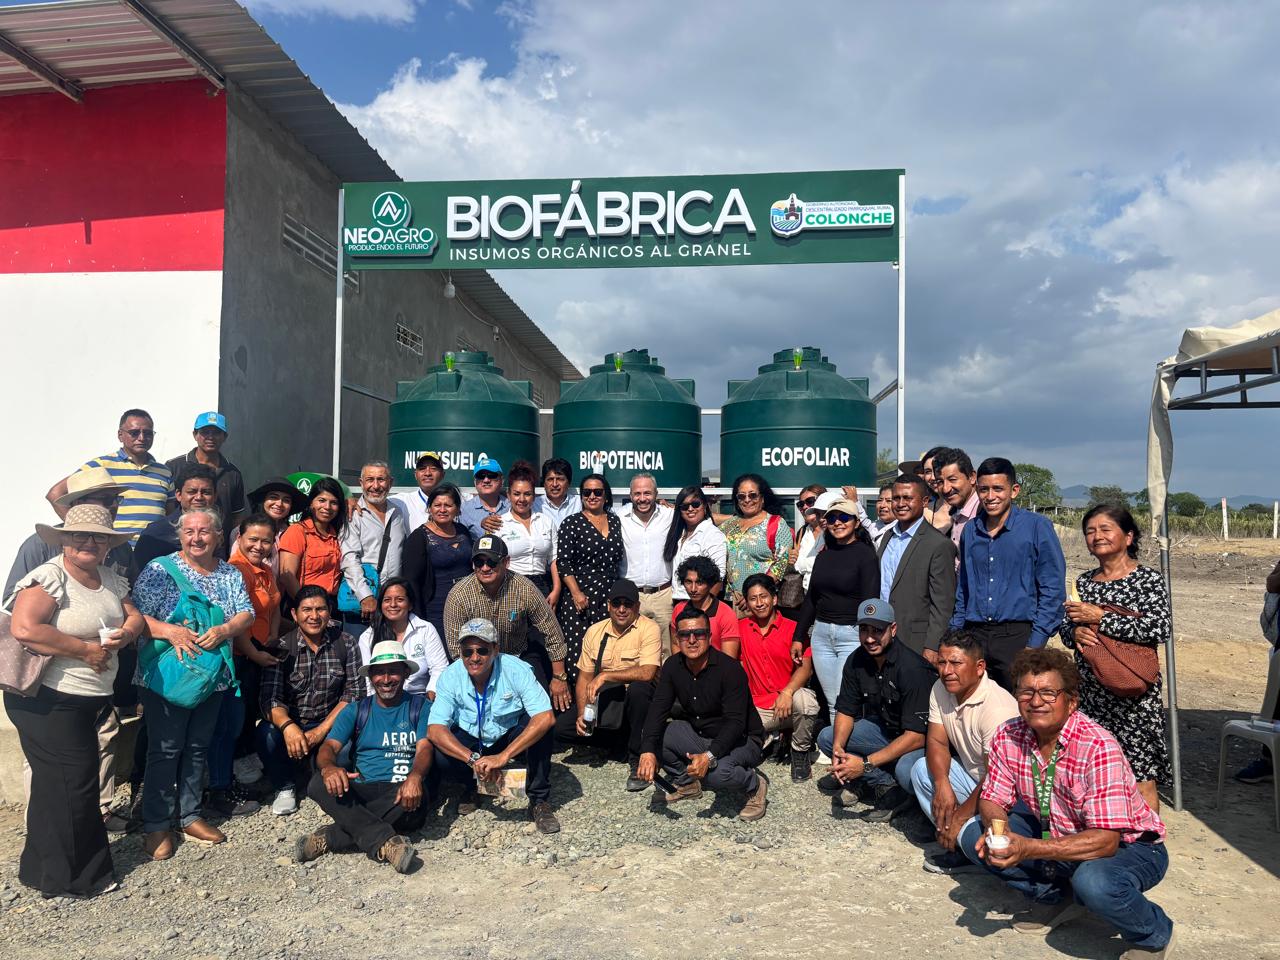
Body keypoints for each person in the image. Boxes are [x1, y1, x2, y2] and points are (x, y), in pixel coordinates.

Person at [970, 649, 1174, 959]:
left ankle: (1152, 934)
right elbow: (992, 797)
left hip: (1130, 847)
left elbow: (1106, 841)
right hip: (1057, 832)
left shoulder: (1097, 746)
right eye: (1026, 692)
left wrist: (1026, 848)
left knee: (1094, 881)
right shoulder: (1008, 734)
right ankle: (1057, 897)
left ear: (1072, 701)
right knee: (975, 836)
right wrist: (998, 831)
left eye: (1048, 693)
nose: (1036, 701)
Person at [5, 504, 142, 898]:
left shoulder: (110, 578)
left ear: (108, 545)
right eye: (80, 534)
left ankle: (41, 870)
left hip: (85, 699)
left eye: (99, 537)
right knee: (75, 786)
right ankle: (80, 879)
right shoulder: (49, 577)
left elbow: (133, 616)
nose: (89, 542)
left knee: (56, 787)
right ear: (64, 539)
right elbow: (25, 628)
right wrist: (84, 651)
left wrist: (126, 634)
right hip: (47, 700)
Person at [133, 507, 254, 858]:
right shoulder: (160, 570)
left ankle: (189, 815)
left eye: (204, 532)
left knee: (198, 746)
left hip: (212, 678)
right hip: (168, 677)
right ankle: (156, 823)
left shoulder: (229, 573)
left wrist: (225, 629)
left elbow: (246, 612)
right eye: (189, 532)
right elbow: (134, 616)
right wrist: (170, 631)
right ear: (180, 536)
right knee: (165, 749)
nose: (197, 538)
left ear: (218, 536)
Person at [1061, 505, 1172, 811]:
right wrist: (1074, 633)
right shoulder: (1083, 583)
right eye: (1090, 531)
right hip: (1092, 694)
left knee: (1140, 776)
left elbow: (1159, 628)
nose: (1097, 536)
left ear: (1128, 536)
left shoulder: (1147, 580)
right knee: (1095, 772)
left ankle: (1147, 836)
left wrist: (1101, 618)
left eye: (1105, 529)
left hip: (1134, 696)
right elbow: (1066, 627)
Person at [295, 640, 431, 873]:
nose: (386, 679)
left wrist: (416, 777)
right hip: (363, 786)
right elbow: (329, 747)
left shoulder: (420, 707)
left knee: (417, 800)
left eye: (393, 671)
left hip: (401, 790)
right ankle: (387, 842)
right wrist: (329, 768)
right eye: (379, 672)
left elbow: (425, 749)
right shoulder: (356, 710)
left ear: (406, 673)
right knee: (317, 783)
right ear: (370, 676)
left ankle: (330, 837)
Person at [636, 606, 769, 821]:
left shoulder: (730, 669)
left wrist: (709, 756)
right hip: (701, 735)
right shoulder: (672, 666)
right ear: (677, 638)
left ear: (709, 636)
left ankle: (754, 785)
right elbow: (657, 709)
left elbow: (736, 723)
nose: (692, 640)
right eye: (684, 634)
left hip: (742, 739)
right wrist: (647, 751)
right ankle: (687, 784)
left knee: (716, 775)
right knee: (655, 735)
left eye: (698, 633)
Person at [429, 617, 560, 834]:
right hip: (473, 741)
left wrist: (504, 756)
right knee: (439, 751)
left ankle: (539, 800)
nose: (474, 658)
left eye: (482, 650)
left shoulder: (517, 669)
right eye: (467, 652)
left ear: (495, 649)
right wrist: (472, 759)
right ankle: (472, 786)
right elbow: (435, 728)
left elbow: (545, 716)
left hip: (507, 734)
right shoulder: (450, 676)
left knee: (542, 729)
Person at [950, 458, 1067, 691]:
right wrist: (956, 632)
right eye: (984, 489)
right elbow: (964, 587)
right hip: (975, 634)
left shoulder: (1037, 527)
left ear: (1014, 490)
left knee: (1017, 703)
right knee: (974, 703)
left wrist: (1035, 643)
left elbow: (1052, 589)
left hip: (1017, 636)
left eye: (998, 489)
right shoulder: (971, 530)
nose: (990, 496)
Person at [909, 629, 1019, 875]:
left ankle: (962, 840)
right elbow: (936, 741)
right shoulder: (941, 688)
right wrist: (942, 785)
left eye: (956, 663)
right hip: (975, 779)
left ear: (979, 667)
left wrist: (958, 818)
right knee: (920, 770)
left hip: (1005, 793)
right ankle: (960, 840)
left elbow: (996, 779)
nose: (947, 671)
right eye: (942, 662)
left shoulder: (997, 708)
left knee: (979, 831)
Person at [816, 599, 933, 823]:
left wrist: (866, 764)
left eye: (877, 631)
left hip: (916, 742)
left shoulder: (911, 668)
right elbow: (846, 710)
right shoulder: (856, 660)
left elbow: (917, 736)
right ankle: (884, 784)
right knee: (827, 738)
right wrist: (839, 749)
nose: (869, 639)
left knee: (907, 771)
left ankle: (899, 791)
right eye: (864, 630)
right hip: (884, 732)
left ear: (893, 629)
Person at [257, 585, 363, 816]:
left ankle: (321, 777)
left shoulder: (346, 643)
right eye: (306, 610)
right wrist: (288, 727)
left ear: (330, 611)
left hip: (330, 722)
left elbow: (354, 694)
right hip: (294, 722)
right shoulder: (281, 648)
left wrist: (321, 731)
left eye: (320, 609)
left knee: (346, 750)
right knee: (266, 734)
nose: (314, 616)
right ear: (294, 614)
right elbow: (269, 699)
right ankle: (285, 785)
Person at [441, 535, 571, 713]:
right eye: (479, 562)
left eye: (492, 562)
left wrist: (559, 677)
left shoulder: (525, 588)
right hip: (477, 664)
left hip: (518, 656)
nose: (485, 568)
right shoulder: (458, 595)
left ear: (506, 562)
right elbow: (456, 648)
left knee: (542, 708)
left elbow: (551, 631)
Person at [211, 513, 287, 818]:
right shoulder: (234, 570)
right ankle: (229, 780)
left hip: (261, 649)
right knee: (235, 720)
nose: (259, 546)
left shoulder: (265, 570)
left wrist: (272, 636)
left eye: (266, 541)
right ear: (239, 538)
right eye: (252, 539)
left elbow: (274, 606)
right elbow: (236, 620)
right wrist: (254, 653)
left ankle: (245, 773)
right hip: (241, 656)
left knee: (249, 714)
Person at [557, 579, 660, 791]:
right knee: (560, 728)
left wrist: (606, 676)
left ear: (637, 606)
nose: (621, 609)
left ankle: (637, 758)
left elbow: (648, 672)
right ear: (608, 605)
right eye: (616, 604)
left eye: (628, 604)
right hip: (607, 699)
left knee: (640, 690)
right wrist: (582, 714)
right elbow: (584, 678)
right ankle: (617, 742)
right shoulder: (594, 631)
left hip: (634, 699)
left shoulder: (649, 628)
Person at [794, 497, 880, 725]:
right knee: (833, 702)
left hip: (851, 634)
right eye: (832, 518)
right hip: (821, 634)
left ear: (856, 522)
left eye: (844, 517)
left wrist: (867, 635)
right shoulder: (824, 554)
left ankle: (850, 746)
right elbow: (812, 598)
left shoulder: (866, 555)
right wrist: (798, 636)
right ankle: (837, 744)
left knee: (847, 701)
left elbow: (870, 599)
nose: (837, 522)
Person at [46, 409, 174, 542]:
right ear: (120, 435)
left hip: (154, 549)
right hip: (116, 547)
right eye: (134, 433)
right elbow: (55, 493)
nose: (141, 438)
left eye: (147, 433)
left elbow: (169, 515)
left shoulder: (164, 472)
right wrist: (80, 528)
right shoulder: (101, 466)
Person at [738, 573, 820, 782]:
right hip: (759, 707)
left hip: (789, 702)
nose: (759, 603)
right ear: (747, 603)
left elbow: (806, 668)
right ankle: (775, 738)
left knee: (807, 701)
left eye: (763, 596)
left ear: (774, 599)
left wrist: (787, 692)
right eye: (753, 598)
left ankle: (799, 751)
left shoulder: (794, 629)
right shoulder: (741, 629)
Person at [5, 466, 131, 599]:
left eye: (116, 499)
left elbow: (131, 596)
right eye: (106, 499)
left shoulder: (122, 548)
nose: (114, 505)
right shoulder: (40, 545)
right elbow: (11, 599)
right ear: (78, 502)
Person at [876, 474, 957, 664]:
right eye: (896, 498)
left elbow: (943, 604)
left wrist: (932, 646)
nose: (900, 504)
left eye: (908, 498)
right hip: (883, 637)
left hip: (916, 642)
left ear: (925, 501)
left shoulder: (938, 544)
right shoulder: (887, 537)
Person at [556, 474, 625, 686]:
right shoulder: (571, 523)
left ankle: (604, 702)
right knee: (579, 653)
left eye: (597, 492)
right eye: (587, 492)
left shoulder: (615, 520)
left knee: (607, 651)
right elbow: (563, 562)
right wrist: (576, 593)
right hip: (580, 596)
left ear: (606, 495)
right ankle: (579, 703)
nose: (592, 496)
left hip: (609, 596)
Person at [163, 411, 247, 547]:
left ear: (224, 437)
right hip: (178, 544)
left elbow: (237, 516)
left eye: (216, 433)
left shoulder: (233, 473)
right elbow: (167, 508)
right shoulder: (174, 466)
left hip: (218, 547)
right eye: (205, 432)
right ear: (195, 435)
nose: (210, 437)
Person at [356, 577, 448, 699]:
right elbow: (368, 680)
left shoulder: (425, 629)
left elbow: (439, 667)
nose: (393, 604)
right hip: (383, 699)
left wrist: (431, 695)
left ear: (410, 605)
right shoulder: (367, 637)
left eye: (400, 600)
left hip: (420, 696)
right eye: (387, 600)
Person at [340, 460, 408, 624]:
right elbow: (349, 559)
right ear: (361, 483)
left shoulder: (398, 512)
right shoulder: (352, 515)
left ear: (390, 483)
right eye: (370, 480)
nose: (376, 486)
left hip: (392, 604)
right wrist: (365, 596)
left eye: (381, 479)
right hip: (363, 605)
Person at [402, 483, 472, 638]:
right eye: (437, 505)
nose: (442, 510)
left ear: (457, 509)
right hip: (436, 610)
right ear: (429, 508)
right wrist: (418, 618)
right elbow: (411, 581)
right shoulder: (419, 537)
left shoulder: (463, 531)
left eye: (448, 505)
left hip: (467, 607)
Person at [618, 473, 676, 652]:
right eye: (637, 493)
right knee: (631, 649)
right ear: (630, 495)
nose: (642, 498)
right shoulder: (618, 517)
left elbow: (698, 515)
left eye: (647, 493)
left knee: (666, 649)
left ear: (656, 494)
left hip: (663, 595)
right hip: (632, 596)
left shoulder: (670, 515)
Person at [720, 474, 792, 614]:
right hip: (731, 601)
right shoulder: (728, 525)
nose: (747, 500)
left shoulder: (776, 524)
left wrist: (754, 593)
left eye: (753, 495)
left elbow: (782, 564)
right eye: (741, 496)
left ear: (762, 498)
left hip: (760, 601)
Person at [131, 461, 218, 574]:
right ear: (178, 495)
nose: (198, 497)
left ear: (215, 496)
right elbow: (138, 575)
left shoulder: (217, 530)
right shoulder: (155, 533)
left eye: (206, 492)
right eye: (192, 492)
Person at [496, 461, 560, 603]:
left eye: (527, 494)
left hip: (542, 586)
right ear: (508, 495)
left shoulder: (546, 522)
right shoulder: (499, 524)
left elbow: (554, 559)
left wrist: (556, 589)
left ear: (534, 496)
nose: (522, 499)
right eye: (516, 494)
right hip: (511, 586)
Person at [277, 476, 347, 601]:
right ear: (311, 503)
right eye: (321, 500)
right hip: (305, 603)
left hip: (333, 604)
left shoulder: (339, 534)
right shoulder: (297, 531)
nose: (327, 507)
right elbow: (286, 576)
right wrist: (306, 604)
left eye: (334, 503)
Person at [666, 484, 728, 609]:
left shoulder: (712, 535)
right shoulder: (678, 533)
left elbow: (718, 578)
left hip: (698, 603)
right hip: (677, 600)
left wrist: (703, 608)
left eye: (695, 504)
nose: (690, 509)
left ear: (704, 506)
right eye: (684, 506)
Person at [671, 555, 740, 657]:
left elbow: (729, 658)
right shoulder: (679, 609)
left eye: (699, 583)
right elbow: (675, 644)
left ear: (710, 584)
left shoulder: (726, 614)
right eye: (688, 582)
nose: (693, 589)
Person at [241, 477, 302, 575]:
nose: (279, 504)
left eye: (286, 500)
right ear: (263, 500)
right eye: (273, 497)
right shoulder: (245, 530)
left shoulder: (292, 533)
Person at [934, 447, 981, 562]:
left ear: (972, 477)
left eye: (952, 480)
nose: (945, 489)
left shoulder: (985, 514)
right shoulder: (955, 513)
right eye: (940, 482)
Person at [391, 452, 445, 531]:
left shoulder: (456, 502)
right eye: (422, 469)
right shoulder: (402, 501)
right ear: (416, 475)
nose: (427, 473)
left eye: (433, 468)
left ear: (442, 474)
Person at [459, 457, 509, 541]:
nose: (486, 480)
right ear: (475, 482)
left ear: (502, 480)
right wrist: (480, 524)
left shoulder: (512, 507)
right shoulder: (464, 510)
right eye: (480, 476)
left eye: (492, 475)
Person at [533, 457, 580, 530]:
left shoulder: (580, 504)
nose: (555, 484)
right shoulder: (533, 505)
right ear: (544, 483)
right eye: (550, 479)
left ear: (569, 482)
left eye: (560, 479)